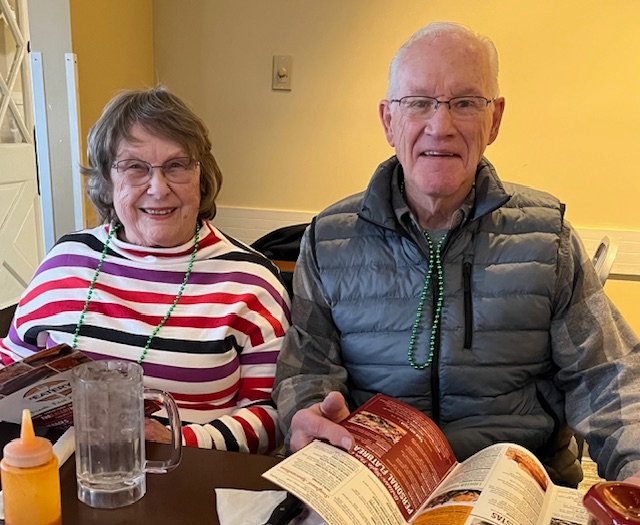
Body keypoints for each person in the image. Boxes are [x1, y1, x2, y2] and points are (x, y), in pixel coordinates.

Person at [272, 22, 640, 486]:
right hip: (378, 484)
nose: (440, 127)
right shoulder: (328, 239)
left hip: (515, 484)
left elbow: (608, 375)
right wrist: (306, 412)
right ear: (388, 121)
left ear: (495, 119)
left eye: (465, 103)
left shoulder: (549, 238)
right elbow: (305, 370)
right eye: (419, 103)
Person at [0, 86, 291, 455]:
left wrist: (175, 441)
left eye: (176, 165)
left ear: (201, 177)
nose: (158, 188)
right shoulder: (65, 260)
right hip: (65, 471)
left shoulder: (252, 280)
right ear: (107, 180)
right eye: (135, 167)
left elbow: (272, 416)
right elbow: (9, 370)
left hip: (188, 475)